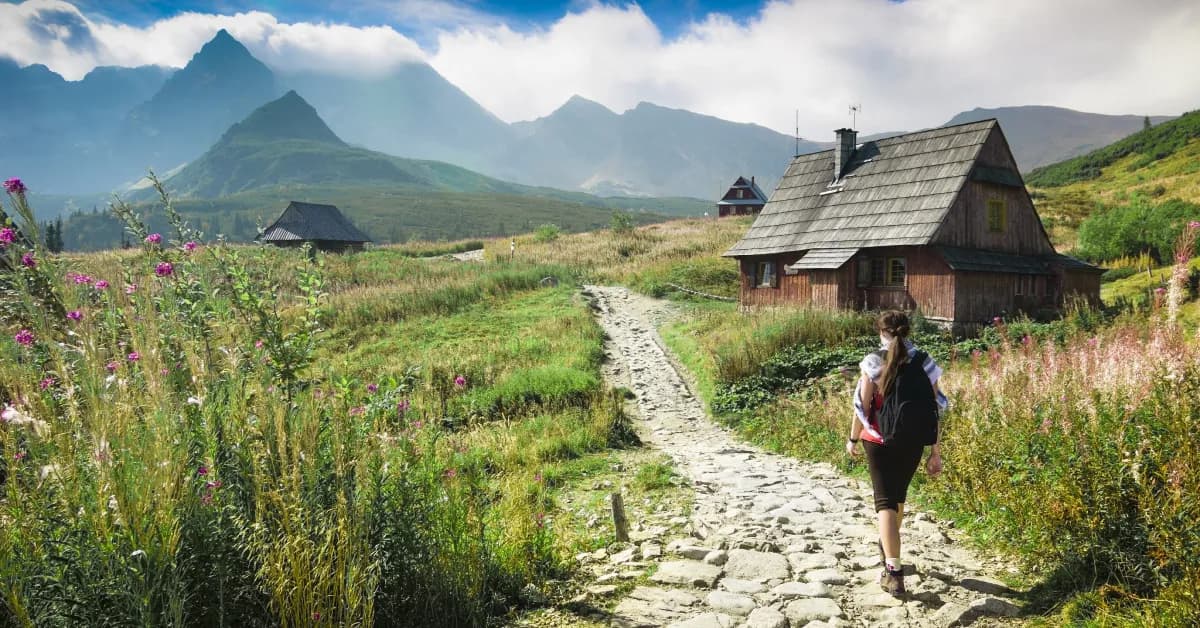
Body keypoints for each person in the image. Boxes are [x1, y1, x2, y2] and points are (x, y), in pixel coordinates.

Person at [846, 310, 946, 596]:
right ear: (908, 330)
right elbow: (936, 407)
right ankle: (890, 547)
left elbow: (863, 407)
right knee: (897, 497)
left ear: (882, 332)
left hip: (878, 442)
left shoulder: (873, 361)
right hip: (913, 440)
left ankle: (894, 572)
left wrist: (853, 438)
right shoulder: (925, 362)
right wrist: (935, 451)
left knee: (885, 503)